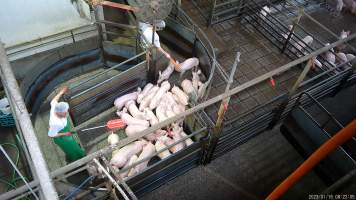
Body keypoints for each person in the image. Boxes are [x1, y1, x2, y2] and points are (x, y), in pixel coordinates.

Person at [48, 87, 85, 162]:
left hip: (65, 132)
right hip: (62, 139)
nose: (66, 113)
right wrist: (65, 134)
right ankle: (77, 159)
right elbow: (51, 135)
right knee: (72, 149)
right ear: (58, 112)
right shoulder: (55, 122)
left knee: (73, 145)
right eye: (64, 112)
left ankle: (75, 155)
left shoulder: (55, 107)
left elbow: (53, 101)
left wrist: (61, 92)